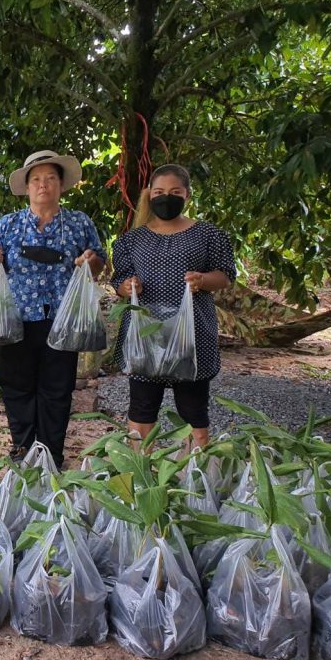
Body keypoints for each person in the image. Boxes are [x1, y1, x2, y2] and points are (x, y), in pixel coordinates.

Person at [0, 149, 105, 469]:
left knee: (57, 388)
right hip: (17, 320)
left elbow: (100, 264)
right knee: (15, 385)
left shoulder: (79, 223)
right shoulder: (8, 225)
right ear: (27, 186)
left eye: (50, 178)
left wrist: (90, 261)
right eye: (36, 179)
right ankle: (23, 448)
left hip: (62, 320)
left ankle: (51, 454)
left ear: (61, 185)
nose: (43, 185)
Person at [112, 163, 235, 448]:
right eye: (159, 192)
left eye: (174, 191)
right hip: (146, 335)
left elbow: (225, 275)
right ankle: (141, 474)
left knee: (193, 410)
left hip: (191, 335)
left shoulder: (208, 234)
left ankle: (195, 477)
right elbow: (119, 281)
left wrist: (202, 280)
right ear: (150, 195)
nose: (166, 197)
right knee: (142, 406)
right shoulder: (131, 240)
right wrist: (128, 287)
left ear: (187, 195)